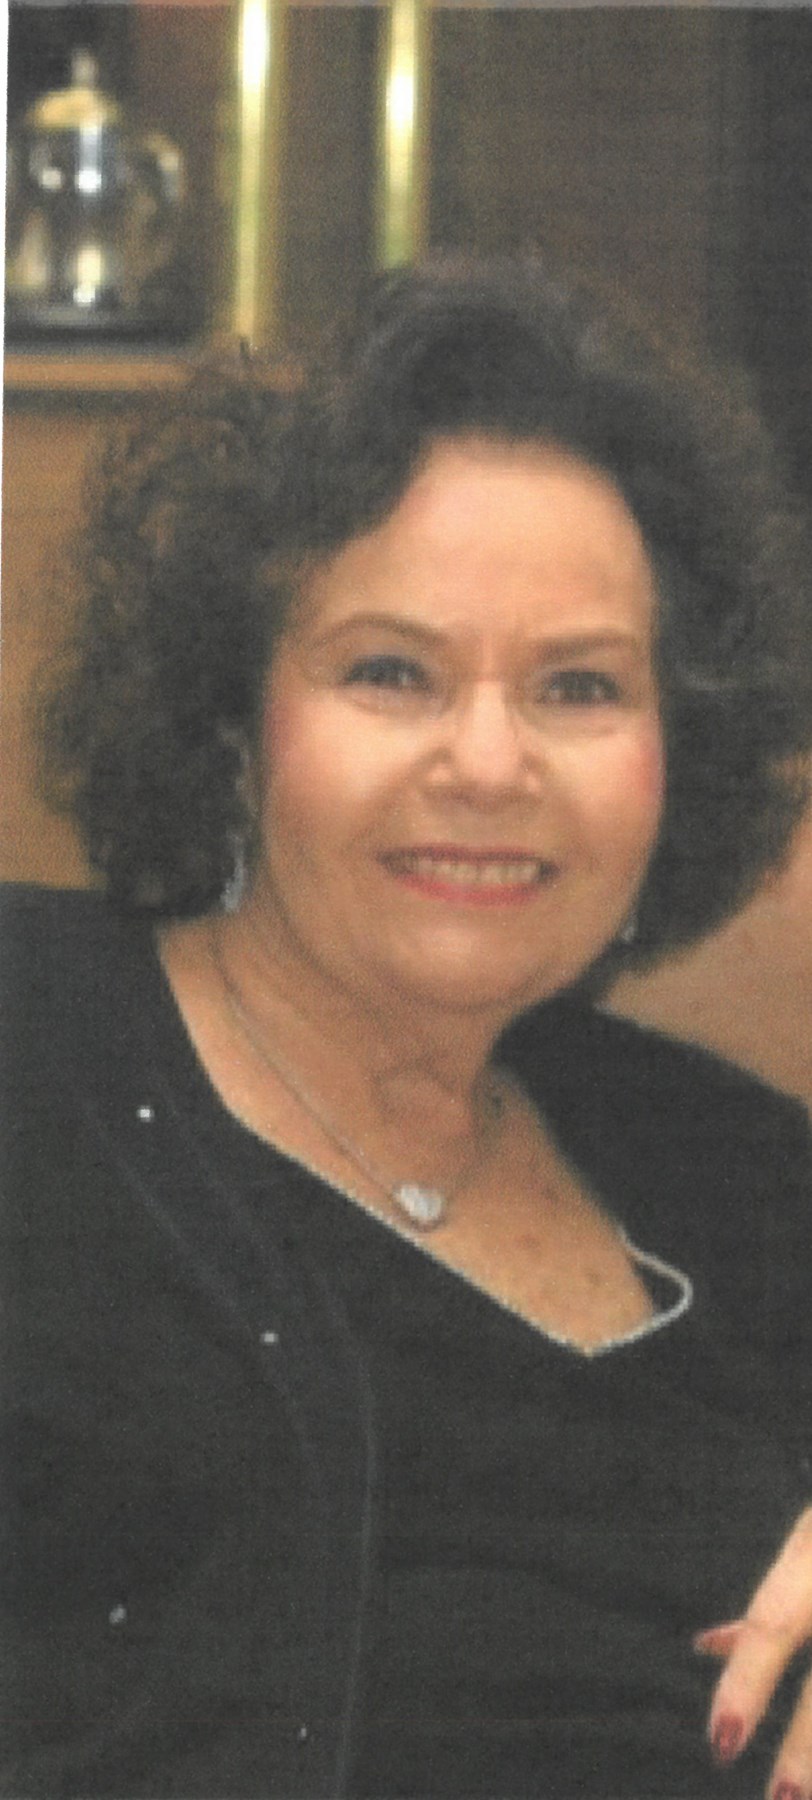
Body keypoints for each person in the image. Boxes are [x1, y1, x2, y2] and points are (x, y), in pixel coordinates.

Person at [3, 255, 812, 1800]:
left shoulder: (736, 1169)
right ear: (235, 723)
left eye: (579, 688)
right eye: (391, 672)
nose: (489, 763)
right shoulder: (30, 1044)